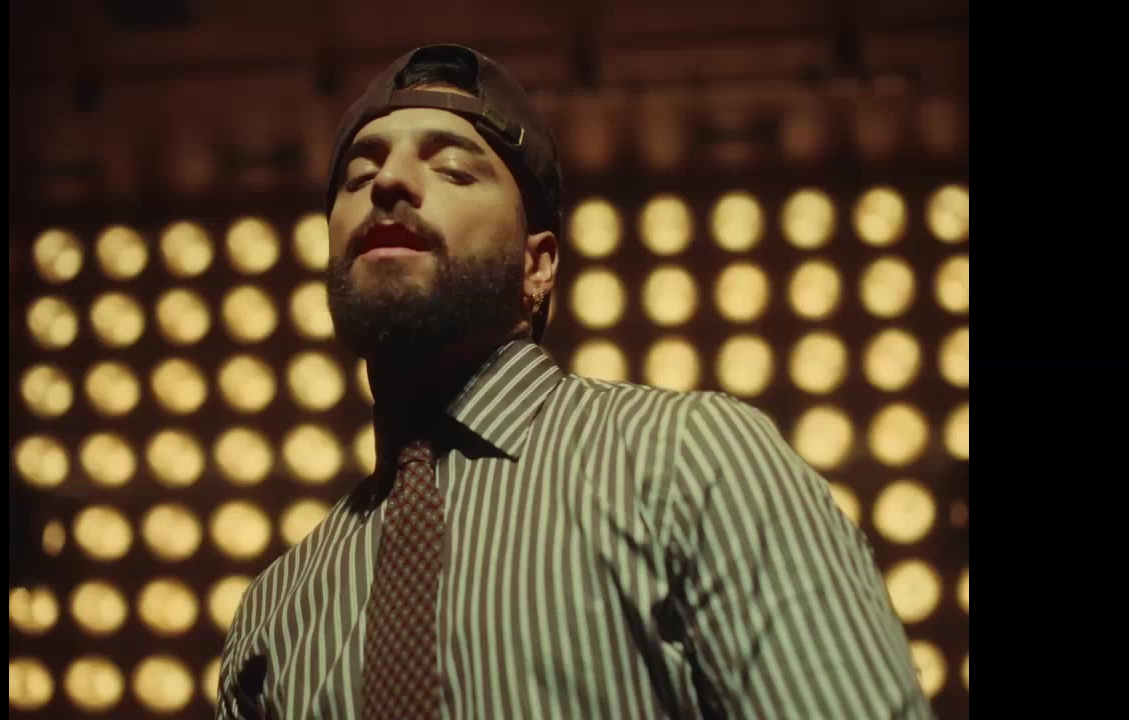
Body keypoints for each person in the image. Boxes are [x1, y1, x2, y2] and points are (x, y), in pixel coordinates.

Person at [217, 44, 933, 720]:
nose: (389, 183)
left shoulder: (687, 461)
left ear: (539, 266)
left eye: (455, 169)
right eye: (357, 176)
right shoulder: (277, 612)